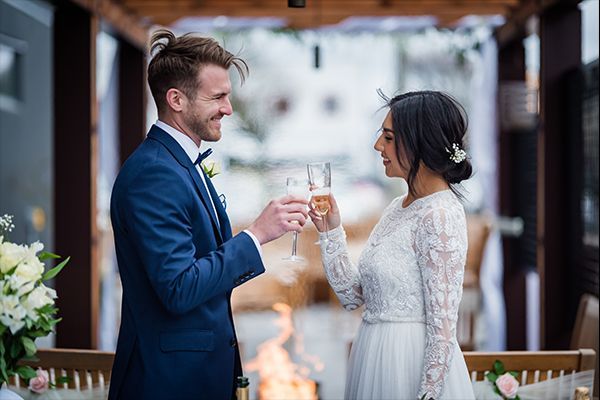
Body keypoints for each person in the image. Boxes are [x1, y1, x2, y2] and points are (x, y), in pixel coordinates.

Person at [108, 29, 308, 400]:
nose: (228, 109)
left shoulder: (179, 164)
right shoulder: (155, 173)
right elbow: (179, 288)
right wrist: (256, 236)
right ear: (176, 100)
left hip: (195, 374)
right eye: (218, 97)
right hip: (168, 382)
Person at [309, 90, 476, 400]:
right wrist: (331, 231)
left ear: (419, 142)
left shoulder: (440, 215)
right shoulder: (398, 206)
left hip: (407, 365)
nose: (378, 146)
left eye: (388, 137)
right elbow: (353, 296)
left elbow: (443, 331)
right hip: (372, 356)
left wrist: (427, 394)